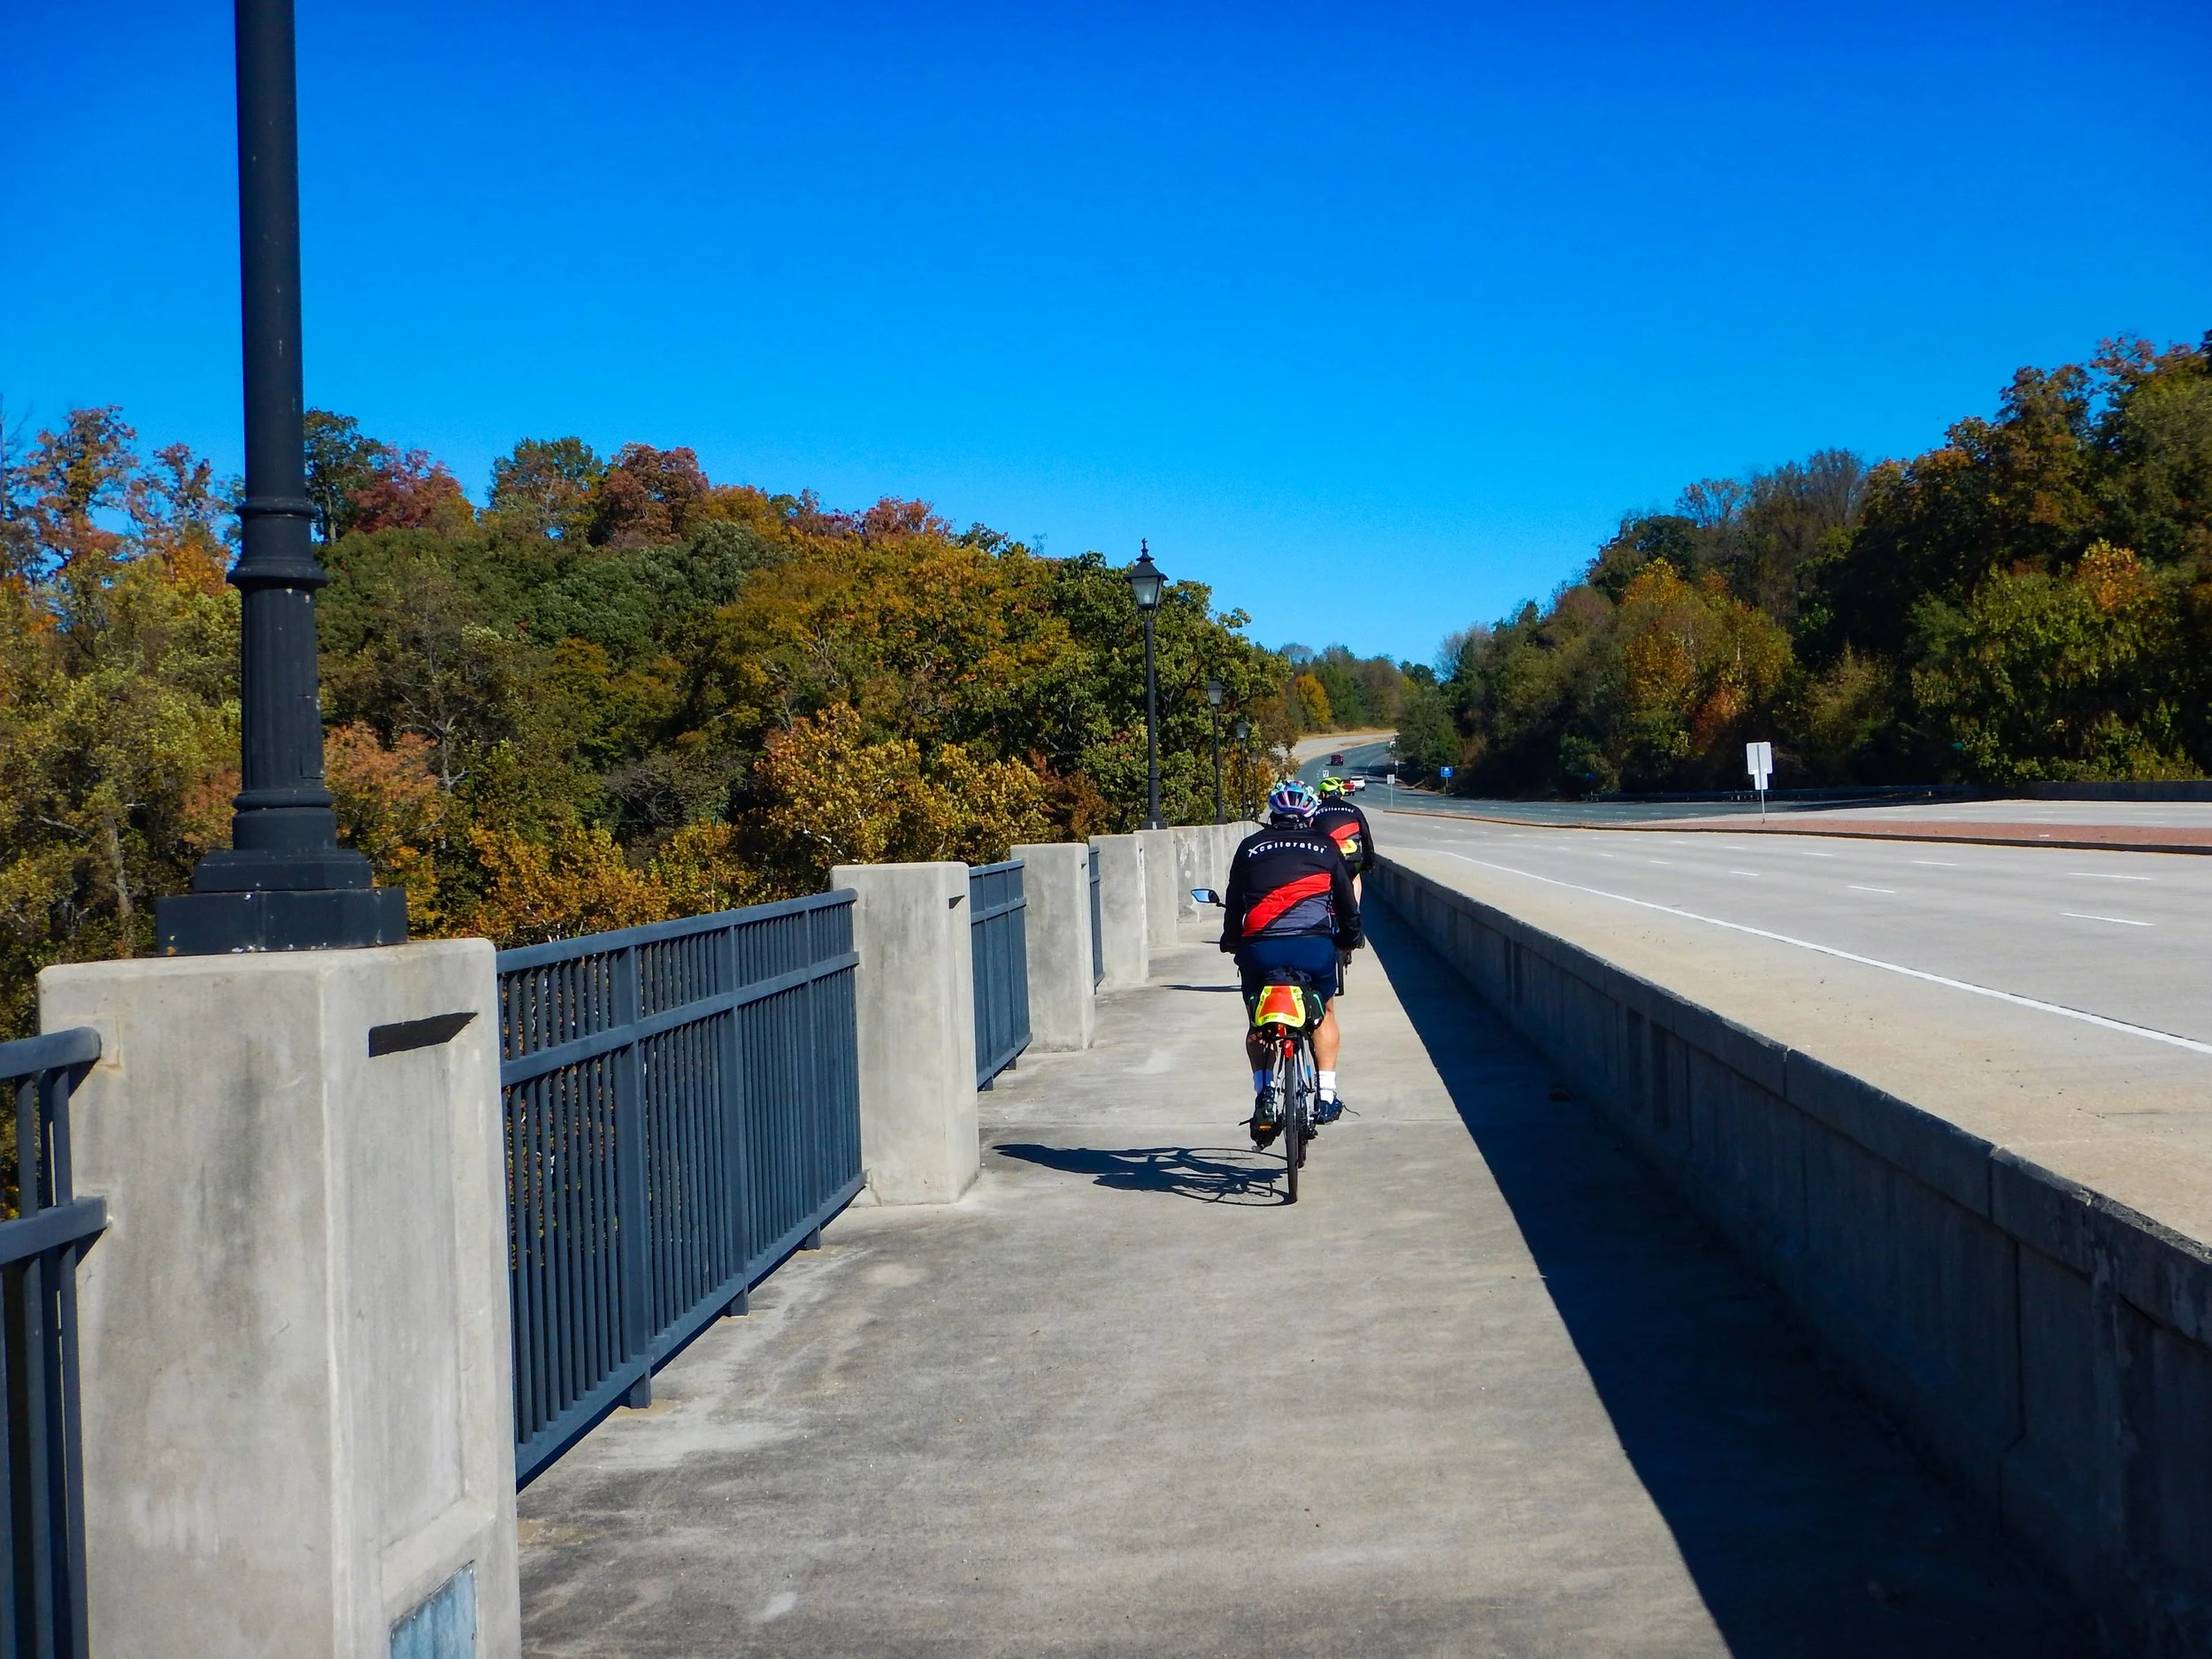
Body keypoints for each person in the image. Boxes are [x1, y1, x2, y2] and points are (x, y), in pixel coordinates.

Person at [1218, 779, 1361, 1147]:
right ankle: (1326, 1095)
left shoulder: (1249, 847)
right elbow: (1346, 903)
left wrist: (1231, 939)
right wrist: (1350, 938)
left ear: (1272, 813)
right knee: (1324, 1011)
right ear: (1309, 814)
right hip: (1312, 948)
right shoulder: (1326, 846)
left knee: (1258, 1021)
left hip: (1261, 948)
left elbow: (1235, 901)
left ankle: (1264, 1092)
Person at [1313, 774, 1376, 902]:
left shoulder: (1315, 811)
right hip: (1351, 859)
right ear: (1341, 794)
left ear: (1324, 794)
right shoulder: (1355, 810)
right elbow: (1366, 839)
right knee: (1355, 877)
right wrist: (1369, 863)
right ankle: (1355, 909)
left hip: (1325, 859)